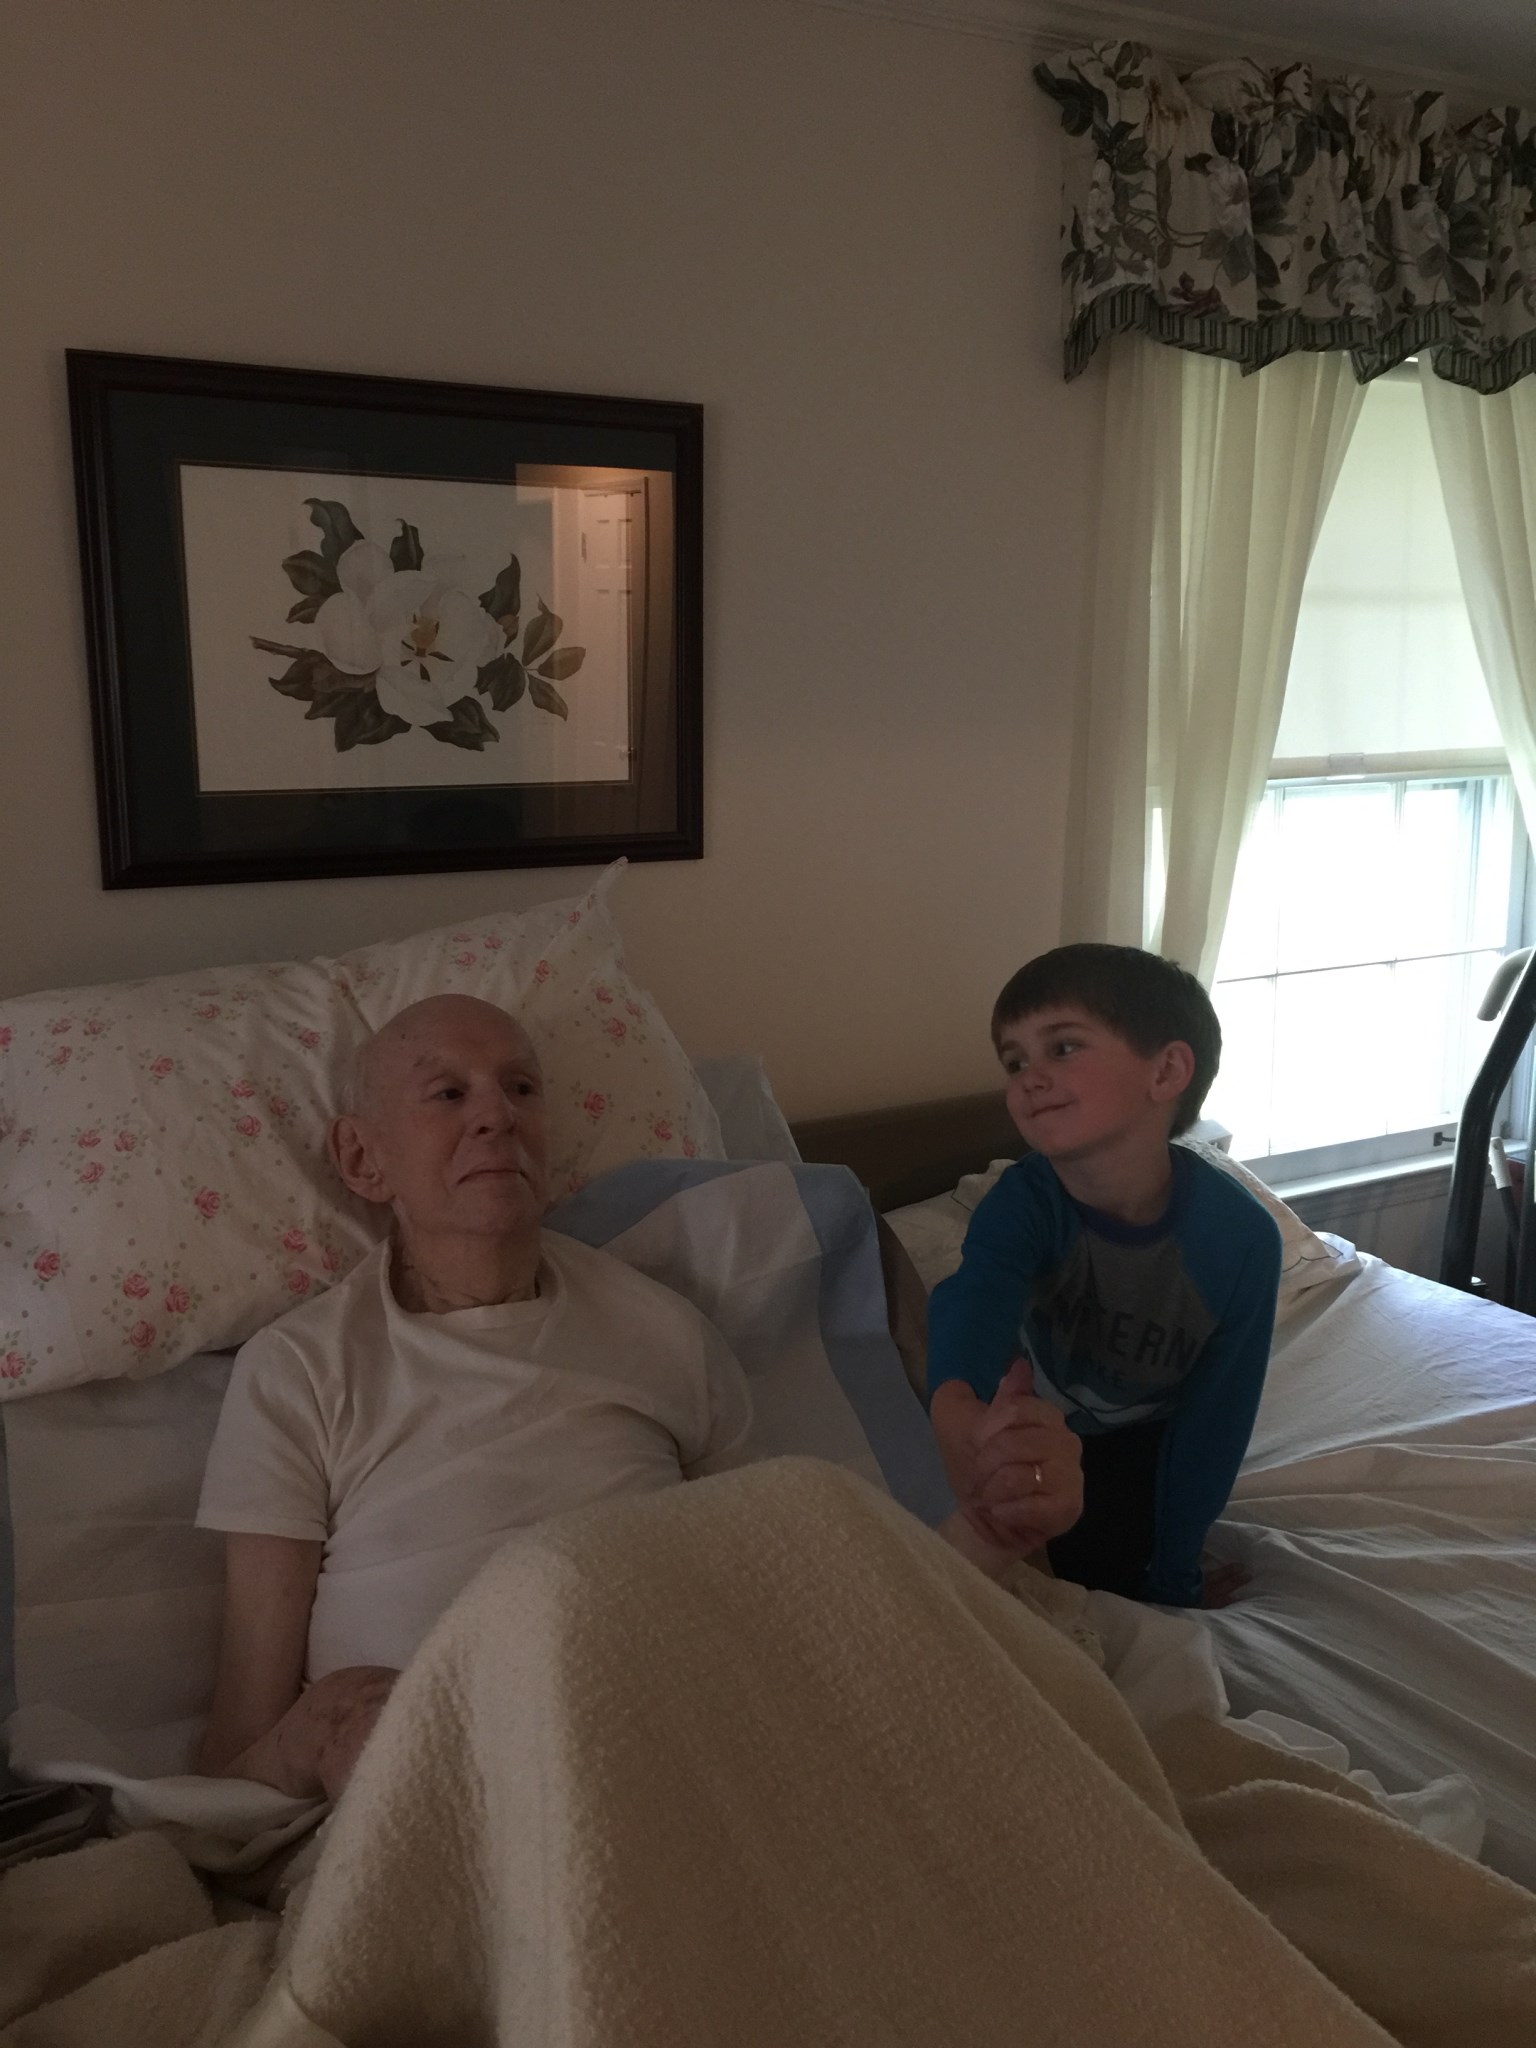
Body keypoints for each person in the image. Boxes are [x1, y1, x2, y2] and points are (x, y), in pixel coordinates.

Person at [193, 993, 755, 1800]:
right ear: (363, 1158)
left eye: (521, 1088)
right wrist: (320, 1738)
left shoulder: (666, 1332)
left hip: (675, 1747)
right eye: (449, 1093)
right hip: (436, 1792)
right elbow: (238, 1751)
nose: (497, 1115)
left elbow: (760, 1577)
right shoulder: (298, 1372)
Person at [926, 944, 1282, 1608]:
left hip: (1147, 1439)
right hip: (1041, 1422)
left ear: (1166, 1071)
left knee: (1127, 1581)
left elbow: (1217, 1420)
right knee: (1009, 1555)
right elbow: (972, 1303)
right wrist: (955, 1406)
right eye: (1014, 1061)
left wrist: (1176, 1574)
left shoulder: (1241, 1242)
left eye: (1062, 1048)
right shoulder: (1022, 1204)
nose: (1029, 1079)